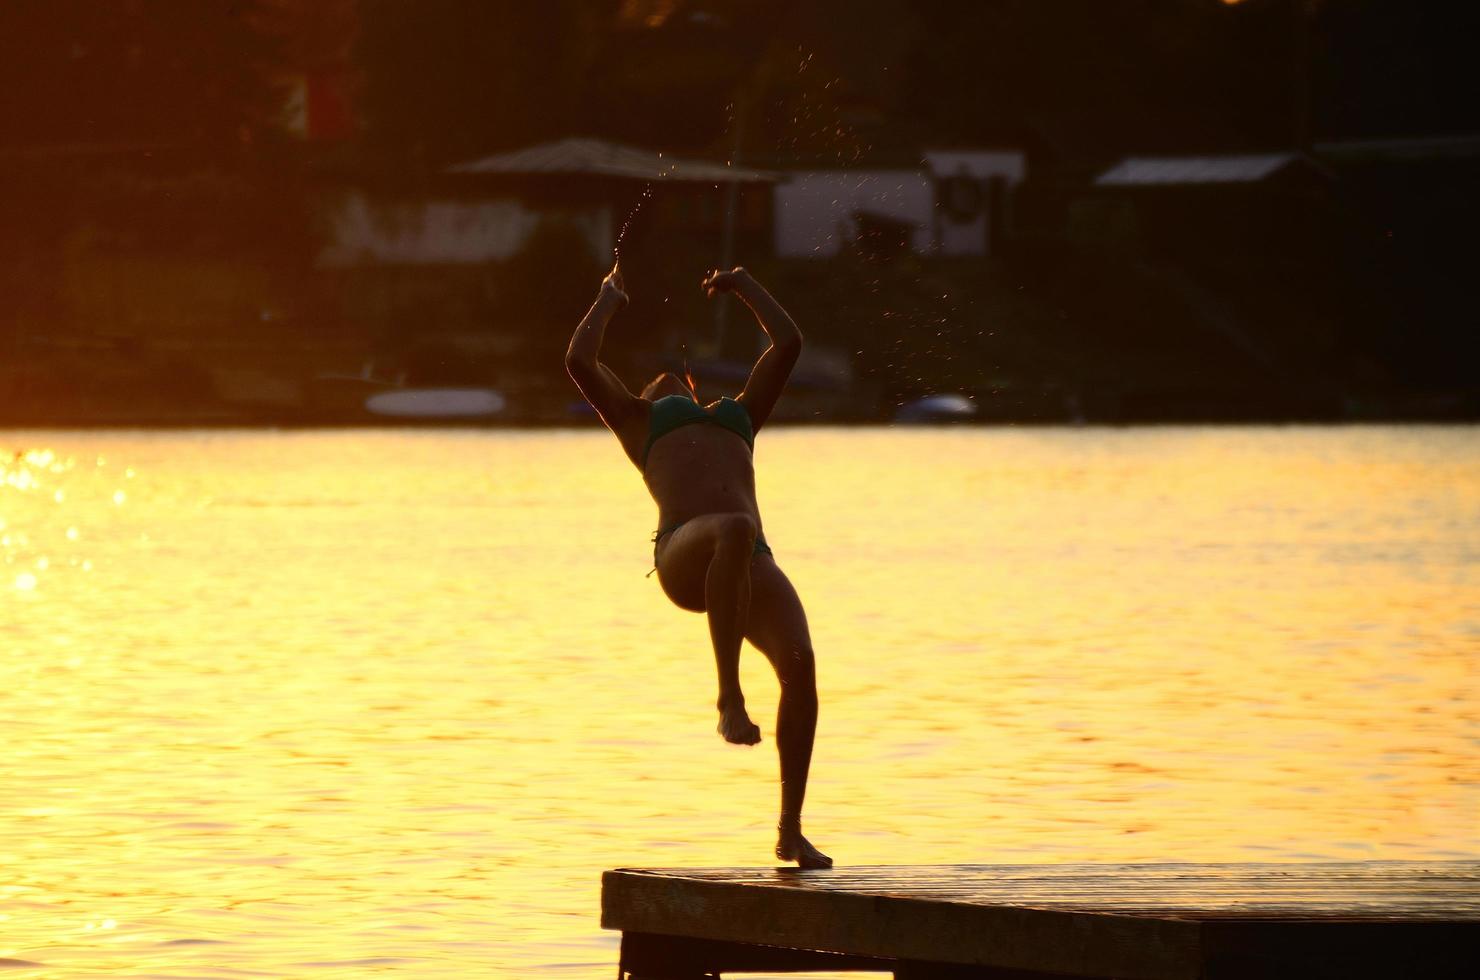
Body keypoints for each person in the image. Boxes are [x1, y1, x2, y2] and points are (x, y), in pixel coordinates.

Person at [565, 261, 831, 869]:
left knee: (802, 666)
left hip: (749, 559)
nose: (666, 383)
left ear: (693, 385)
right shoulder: (637, 420)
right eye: (656, 383)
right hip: (686, 550)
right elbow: (579, 362)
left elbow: (787, 342)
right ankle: (729, 700)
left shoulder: (738, 415)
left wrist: (743, 283)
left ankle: (790, 831)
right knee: (734, 529)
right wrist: (607, 300)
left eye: (676, 380)